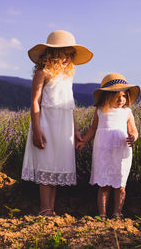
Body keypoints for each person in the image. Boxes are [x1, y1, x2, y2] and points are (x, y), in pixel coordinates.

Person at [21, 30, 93, 216]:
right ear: (52, 54)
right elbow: (35, 102)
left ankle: (50, 210)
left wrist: (75, 130)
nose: (68, 58)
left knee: (55, 167)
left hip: (64, 127)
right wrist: (36, 130)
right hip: (46, 124)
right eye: (64, 53)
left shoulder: (68, 78)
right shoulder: (42, 73)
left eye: (71, 54)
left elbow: (69, 107)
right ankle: (45, 209)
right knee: (46, 165)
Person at [76, 73, 139, 219]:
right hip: (103, 150)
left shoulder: (127, 112)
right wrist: (84, 141)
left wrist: (133, 137)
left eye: (123, 95)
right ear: (106, 96)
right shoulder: (100, 111)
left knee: (120, 182)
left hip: (121, 150)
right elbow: (93, 129)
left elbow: (133, 130)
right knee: (104, 184)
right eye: (116, 95)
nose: (121, 99)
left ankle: (117, 212)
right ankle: (102, 214)